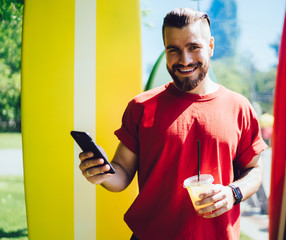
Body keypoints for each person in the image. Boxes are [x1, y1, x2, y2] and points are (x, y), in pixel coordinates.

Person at [79, 8, 267, 240]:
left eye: (193, 47)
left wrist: (233, 193)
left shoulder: (239, 107)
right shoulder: (142, 107)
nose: (184, 60)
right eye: (174, 50)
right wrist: (103, 173)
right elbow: (123, 172)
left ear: (210, 46)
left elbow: (254, 171)